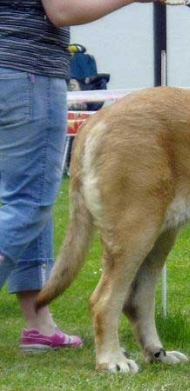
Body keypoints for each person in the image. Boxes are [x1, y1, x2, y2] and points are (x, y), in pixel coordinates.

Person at [0, 0, 159, 351]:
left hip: (11, 71)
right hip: (26, 73)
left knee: (22, 198)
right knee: (29, 203)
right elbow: (62, 10)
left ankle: (38, 323)